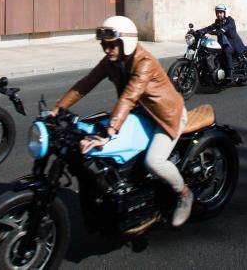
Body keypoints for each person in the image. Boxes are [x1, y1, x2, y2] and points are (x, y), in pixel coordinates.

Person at [53, 16, 193, 227]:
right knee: (103, 145)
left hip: (167, 116)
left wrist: (109, 132)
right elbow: (86, 83)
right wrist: (57, 109)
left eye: (111, 45)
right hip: (141, 113)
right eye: (104, 45)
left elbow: (129, 96)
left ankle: (183, 193)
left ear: (124, 42)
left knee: (154, 161)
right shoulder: (112, 61)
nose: (106, 49)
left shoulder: (143, 62)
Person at [196, 4, 247, 79]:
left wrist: (222, 30)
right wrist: (198, 31)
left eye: (221, 12)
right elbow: (210, 27)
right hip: (222, 45)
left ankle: (230, 73)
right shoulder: (218, 22)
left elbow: (227, 27)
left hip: (232, 45)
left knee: (227, 51)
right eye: (217, 12)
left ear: (225, 13)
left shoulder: (230, 21)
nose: (219, 14)